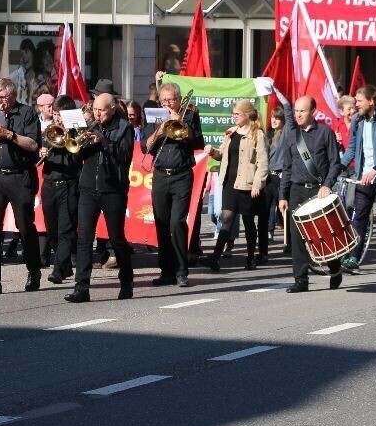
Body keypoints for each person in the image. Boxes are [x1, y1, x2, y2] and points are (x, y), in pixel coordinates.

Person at [65, 93, 134, 303]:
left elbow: (124, 158)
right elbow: (77, 157)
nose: (97, 113)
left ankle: (127, 282)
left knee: (116, 238)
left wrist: (104, 142)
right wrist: (80, 139)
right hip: (88, 188)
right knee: (84, 238)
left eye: (102, 110)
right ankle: (81, 288)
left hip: (113, 189)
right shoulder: (90, 125)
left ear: (112, 108)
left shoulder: (124, 128)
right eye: (95, 109)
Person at [0, 78, 42, 295]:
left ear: (12, 96)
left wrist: (9, 135)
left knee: (25, 227)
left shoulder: (27, 113)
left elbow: (33, 145)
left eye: (3, 97)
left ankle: (34, 271)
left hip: (20, 176)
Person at [279, 97, 345, 293]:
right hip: (296, 190)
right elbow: (287, 167)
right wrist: (283, 195)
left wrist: (326, 185)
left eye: (302, 111)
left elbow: (335, 163)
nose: (297, 114)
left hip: (318, 191)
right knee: (297, 237)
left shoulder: (325, 133)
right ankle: (301, 280)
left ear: (313, 112)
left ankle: (334, 268)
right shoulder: (292, 134)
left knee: (322, 235)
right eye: (296, 111)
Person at [143, 81, 205, 287]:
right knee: (161, 223)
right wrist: (160, 130)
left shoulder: (190, 115)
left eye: (172, 100)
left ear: (179, 100)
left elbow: (198, 143)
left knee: (177, 222)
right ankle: (166, 271)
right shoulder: (154, 117)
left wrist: (182, 124)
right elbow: (146, 146)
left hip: (181, 175)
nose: (168, 103)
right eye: (164, 100)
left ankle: (181, 270)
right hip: (160, 175)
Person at [338, 86, 376, 271]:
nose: (356, 105)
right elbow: (351, 148)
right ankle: (354, 258)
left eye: (359, 101)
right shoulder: (357, 120)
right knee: (360, 216)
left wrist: (375, 170)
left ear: (371, 101)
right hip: (363, 176)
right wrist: (339, 166)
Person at [203, 100, 268, 271]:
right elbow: (222, 154)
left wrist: (257, 184)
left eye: (237, 114)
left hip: (246, 185)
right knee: (226, 219)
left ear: (247, 115)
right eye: (234, 114)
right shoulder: (230, 133)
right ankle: (215, 257)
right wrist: (212, 152)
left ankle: (251, 257)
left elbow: (263, 162)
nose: (234, 117)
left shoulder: (257, 134)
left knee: (248, 221)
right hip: (229, 183)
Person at [42, 96, 82, 284]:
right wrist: (42, 151)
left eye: (59, 115)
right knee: (52, 231)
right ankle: (65, 266)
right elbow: (40, 150)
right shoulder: (50, 131)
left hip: (69, 183)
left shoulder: (77, 132)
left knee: (66, 230)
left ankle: (58, 270)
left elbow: (77, 159)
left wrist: (69, 137)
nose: (57, 119)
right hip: (49, 183)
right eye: (55, 114)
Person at [259, 106, 288, 262]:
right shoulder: (268, 135)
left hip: (282, 176)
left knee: (284, 211)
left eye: (277, 118)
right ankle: (262, 250)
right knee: (263, 213)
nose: (274, 120)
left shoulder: (287, 134)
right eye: (272, 117)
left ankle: (288, 243)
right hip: (269, 177)